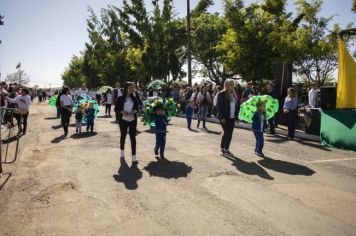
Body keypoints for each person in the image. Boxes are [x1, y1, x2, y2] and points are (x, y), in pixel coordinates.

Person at [115, 82, 139, 164]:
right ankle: (122, 151)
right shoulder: (120, 98)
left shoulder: (134, 98)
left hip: (132, 120)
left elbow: (137, 108)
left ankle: (134, 157)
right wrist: (122, 111)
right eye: (130, 88)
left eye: (133, 88)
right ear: (126, 88)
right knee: (123, 135)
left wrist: (133, 111)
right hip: (123, 120)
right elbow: (116, 108)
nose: (132, 89)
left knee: (133, 137)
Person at [217, 79, 238, 156]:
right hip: (224, 117)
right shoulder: (221, 93)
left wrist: (236, 117)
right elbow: (219, 106)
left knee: (230, 133)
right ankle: (222, 148)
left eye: (233, 84)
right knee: (227, 132)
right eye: (230, 84)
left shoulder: (233, 94)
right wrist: (222, 117)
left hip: (232, 117)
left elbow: (235, 106)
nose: (232, 86)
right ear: (226, 85)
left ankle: (227, 149)